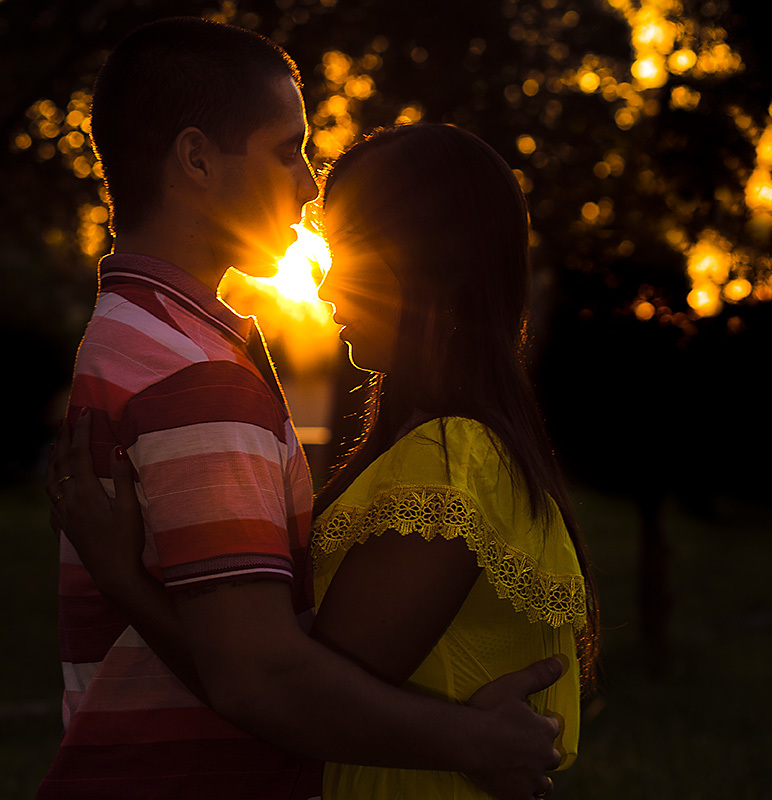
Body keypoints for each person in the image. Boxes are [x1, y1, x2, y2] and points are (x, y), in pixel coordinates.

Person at [41, 17, 563, 800]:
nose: (308, 184)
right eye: (289, 150)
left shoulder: (136, 340)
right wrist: (472, 741)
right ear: (196, 159)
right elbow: (262, 678)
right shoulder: (195, 378)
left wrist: (125, 579)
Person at [307, 122, 599, 798]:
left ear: (437, 261)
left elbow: (296, 700)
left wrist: (125, 579)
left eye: (348, 251)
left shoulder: (452, 462)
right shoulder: (441, 449)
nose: (325, 288)